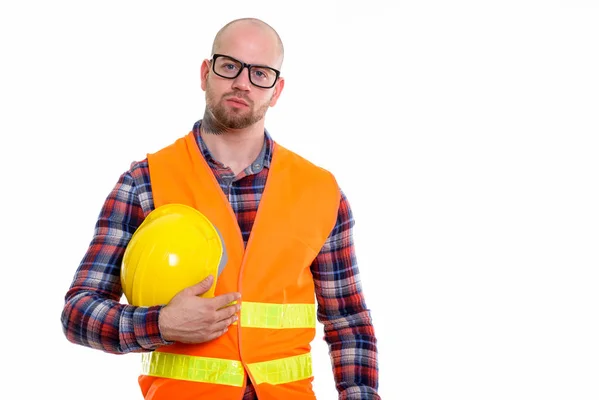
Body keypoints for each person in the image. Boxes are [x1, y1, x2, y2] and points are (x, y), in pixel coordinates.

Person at [61, 17, 380, 400]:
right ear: (205, 73)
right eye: (229, 66)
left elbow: (349, 323)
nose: (242, 82)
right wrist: (160, 323)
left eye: (260, 73)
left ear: (277, 91)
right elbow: (78, 313)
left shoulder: (321, 191)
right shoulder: (145, 182)